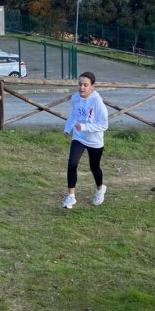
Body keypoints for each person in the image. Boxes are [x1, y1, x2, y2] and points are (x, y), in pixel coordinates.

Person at [62, 71, 108, 208]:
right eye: (80, 84)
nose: (81, 87)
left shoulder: (97, 101)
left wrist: (84, 126)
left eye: (85, 85)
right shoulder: (75, 98)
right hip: (79, 137)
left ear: (92, 86)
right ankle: (71, 197)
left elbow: (104, 125)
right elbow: (74, 114)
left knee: (94, 167)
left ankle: (100, 189)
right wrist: (67, 128)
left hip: (95, 140)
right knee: (72, 164)